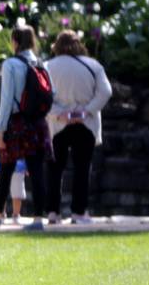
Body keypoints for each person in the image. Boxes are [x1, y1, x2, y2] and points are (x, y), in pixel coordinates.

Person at [0, 27, 54, 230]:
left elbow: (6, 100)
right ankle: (39, 219)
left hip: (16, 123)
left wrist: (0, 130)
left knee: (6, 168)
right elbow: (52, 93)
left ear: (15, 41)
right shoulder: (42, 64)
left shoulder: (10, 65)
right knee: (37, 170)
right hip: (39, 123)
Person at [44, 30, 113, 225]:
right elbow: (106, 92)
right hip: (86, 124)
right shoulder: (93, 65)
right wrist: (85, 111)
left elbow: (40, 96)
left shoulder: (48, 66)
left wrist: (60, 113)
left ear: (56, 45)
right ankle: (79, 212)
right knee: (82, 168)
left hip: (57, 125)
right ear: (79, 44)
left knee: (54, 169)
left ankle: (52, 212)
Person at [0, 129, 27, 223]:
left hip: (16, 164)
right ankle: (2, 213)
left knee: (15, 192)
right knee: (4, 190)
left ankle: (15, 214)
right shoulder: (22, 123)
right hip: (6, 163)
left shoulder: (3, 122)